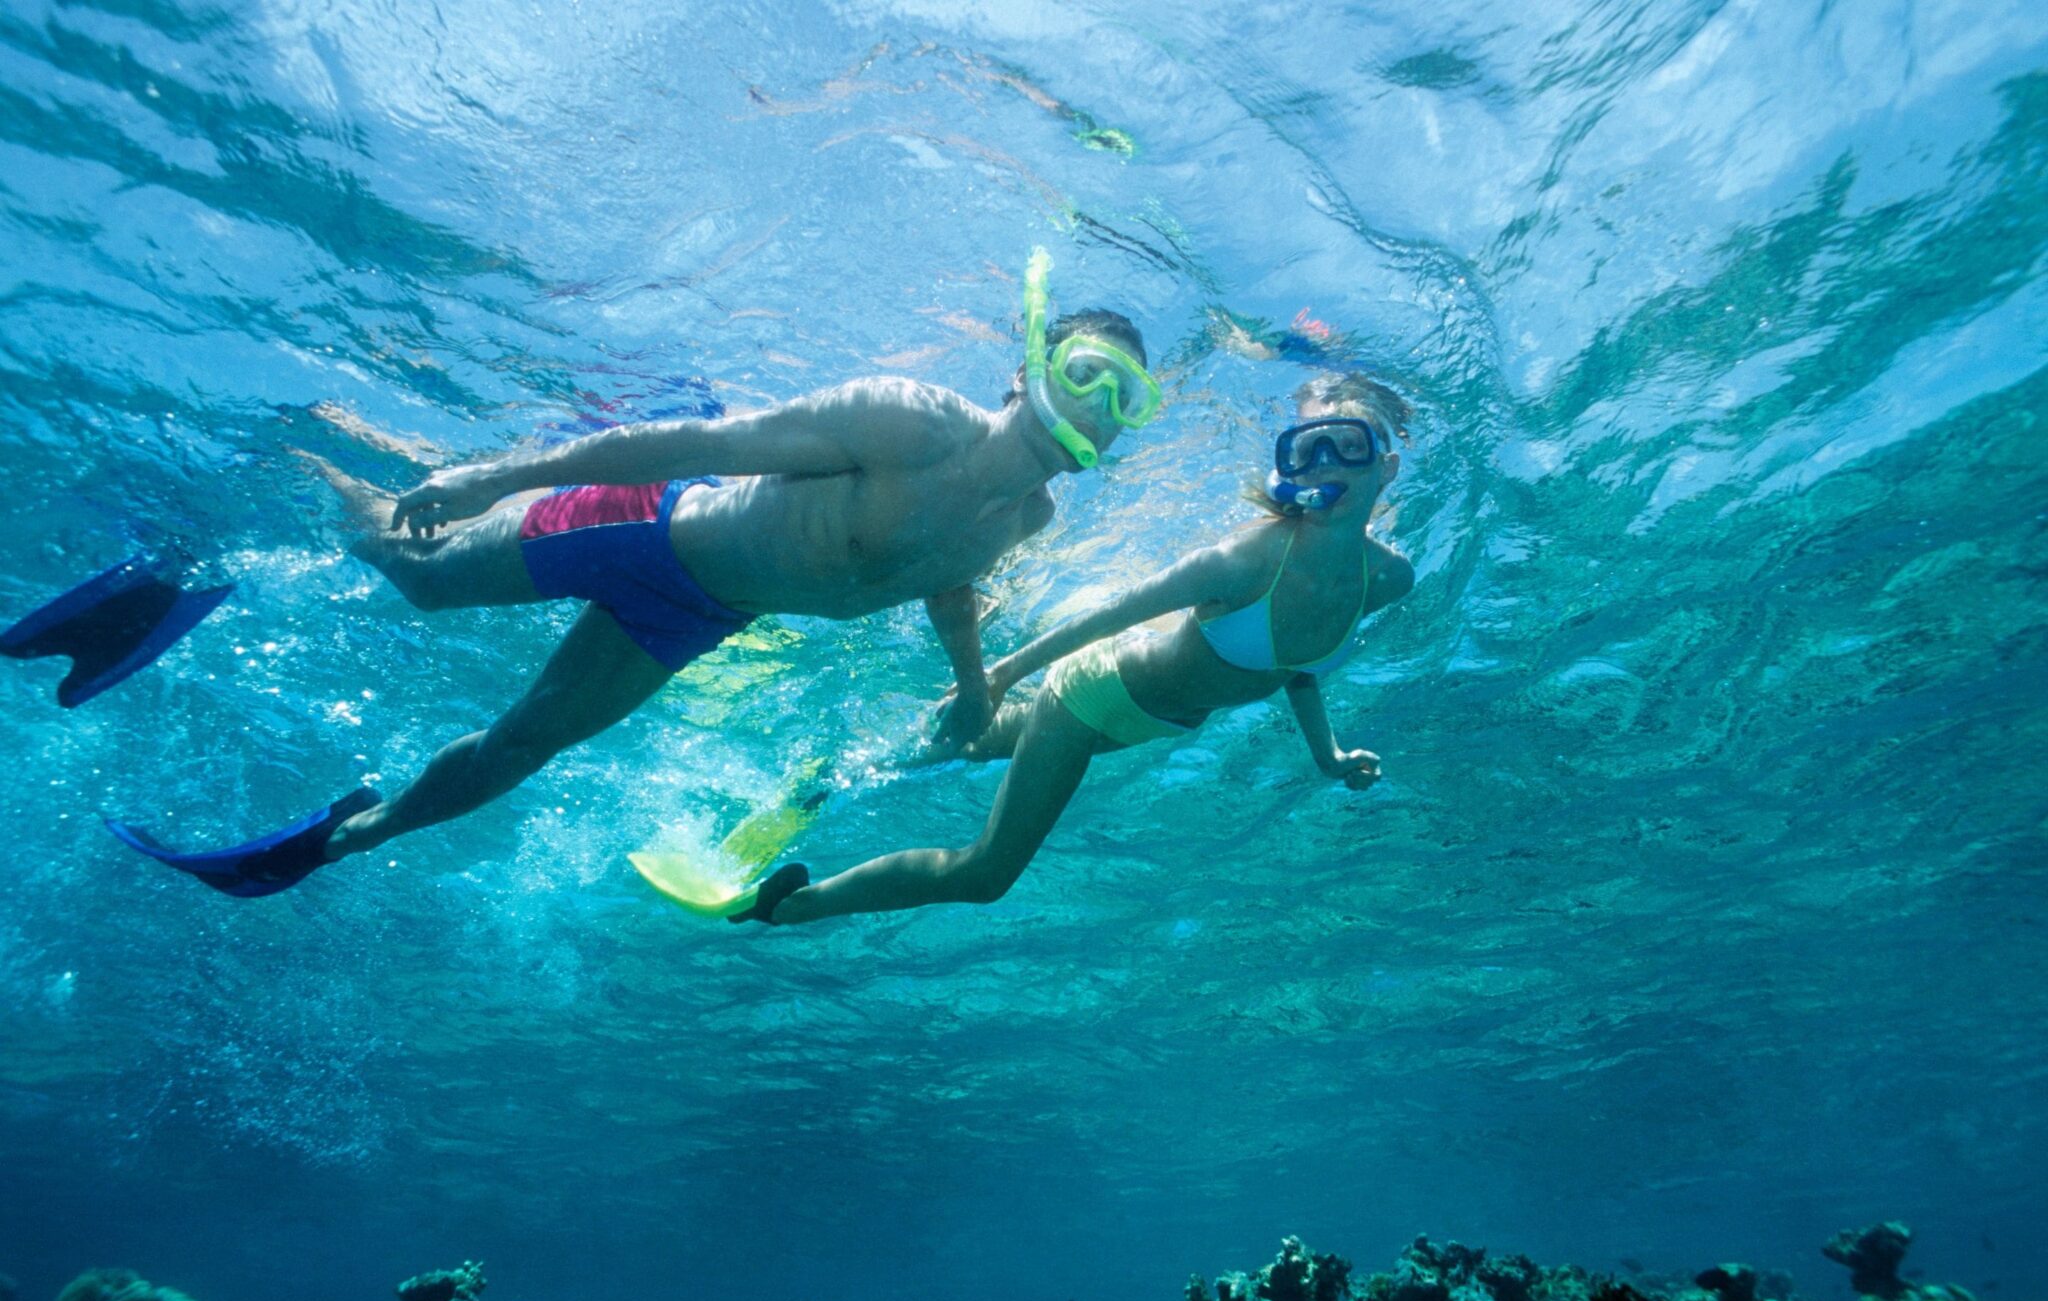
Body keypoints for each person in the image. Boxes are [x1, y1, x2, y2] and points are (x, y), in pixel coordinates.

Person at [105, 252, 1162, 898]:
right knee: (411, 573)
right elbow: (681, 443)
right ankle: (307, 452)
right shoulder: (908, 420)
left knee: (523, 748)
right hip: (642, 528)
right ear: (1026, 366)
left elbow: (947, 588)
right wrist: (492, 477)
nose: (1096, 413)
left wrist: (974, 687)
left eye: (1125, 404)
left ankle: (345, 839)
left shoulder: (1026, 516)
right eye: (1084, 378)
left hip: (699, 612)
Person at [743, 374, 1416, 926]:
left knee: (965, 744)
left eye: (1345, 447)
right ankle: (795, 905)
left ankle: (833, 775)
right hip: (1091, 696)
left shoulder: (1385, 579)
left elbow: (1297, 666)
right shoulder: (1246, 560)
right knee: (985, 875)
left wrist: (1327, 755)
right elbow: (1112, 613)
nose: (1324, 464)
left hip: (1148, 721)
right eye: (1308, 450)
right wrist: (1000, 673)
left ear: (1384, 468)